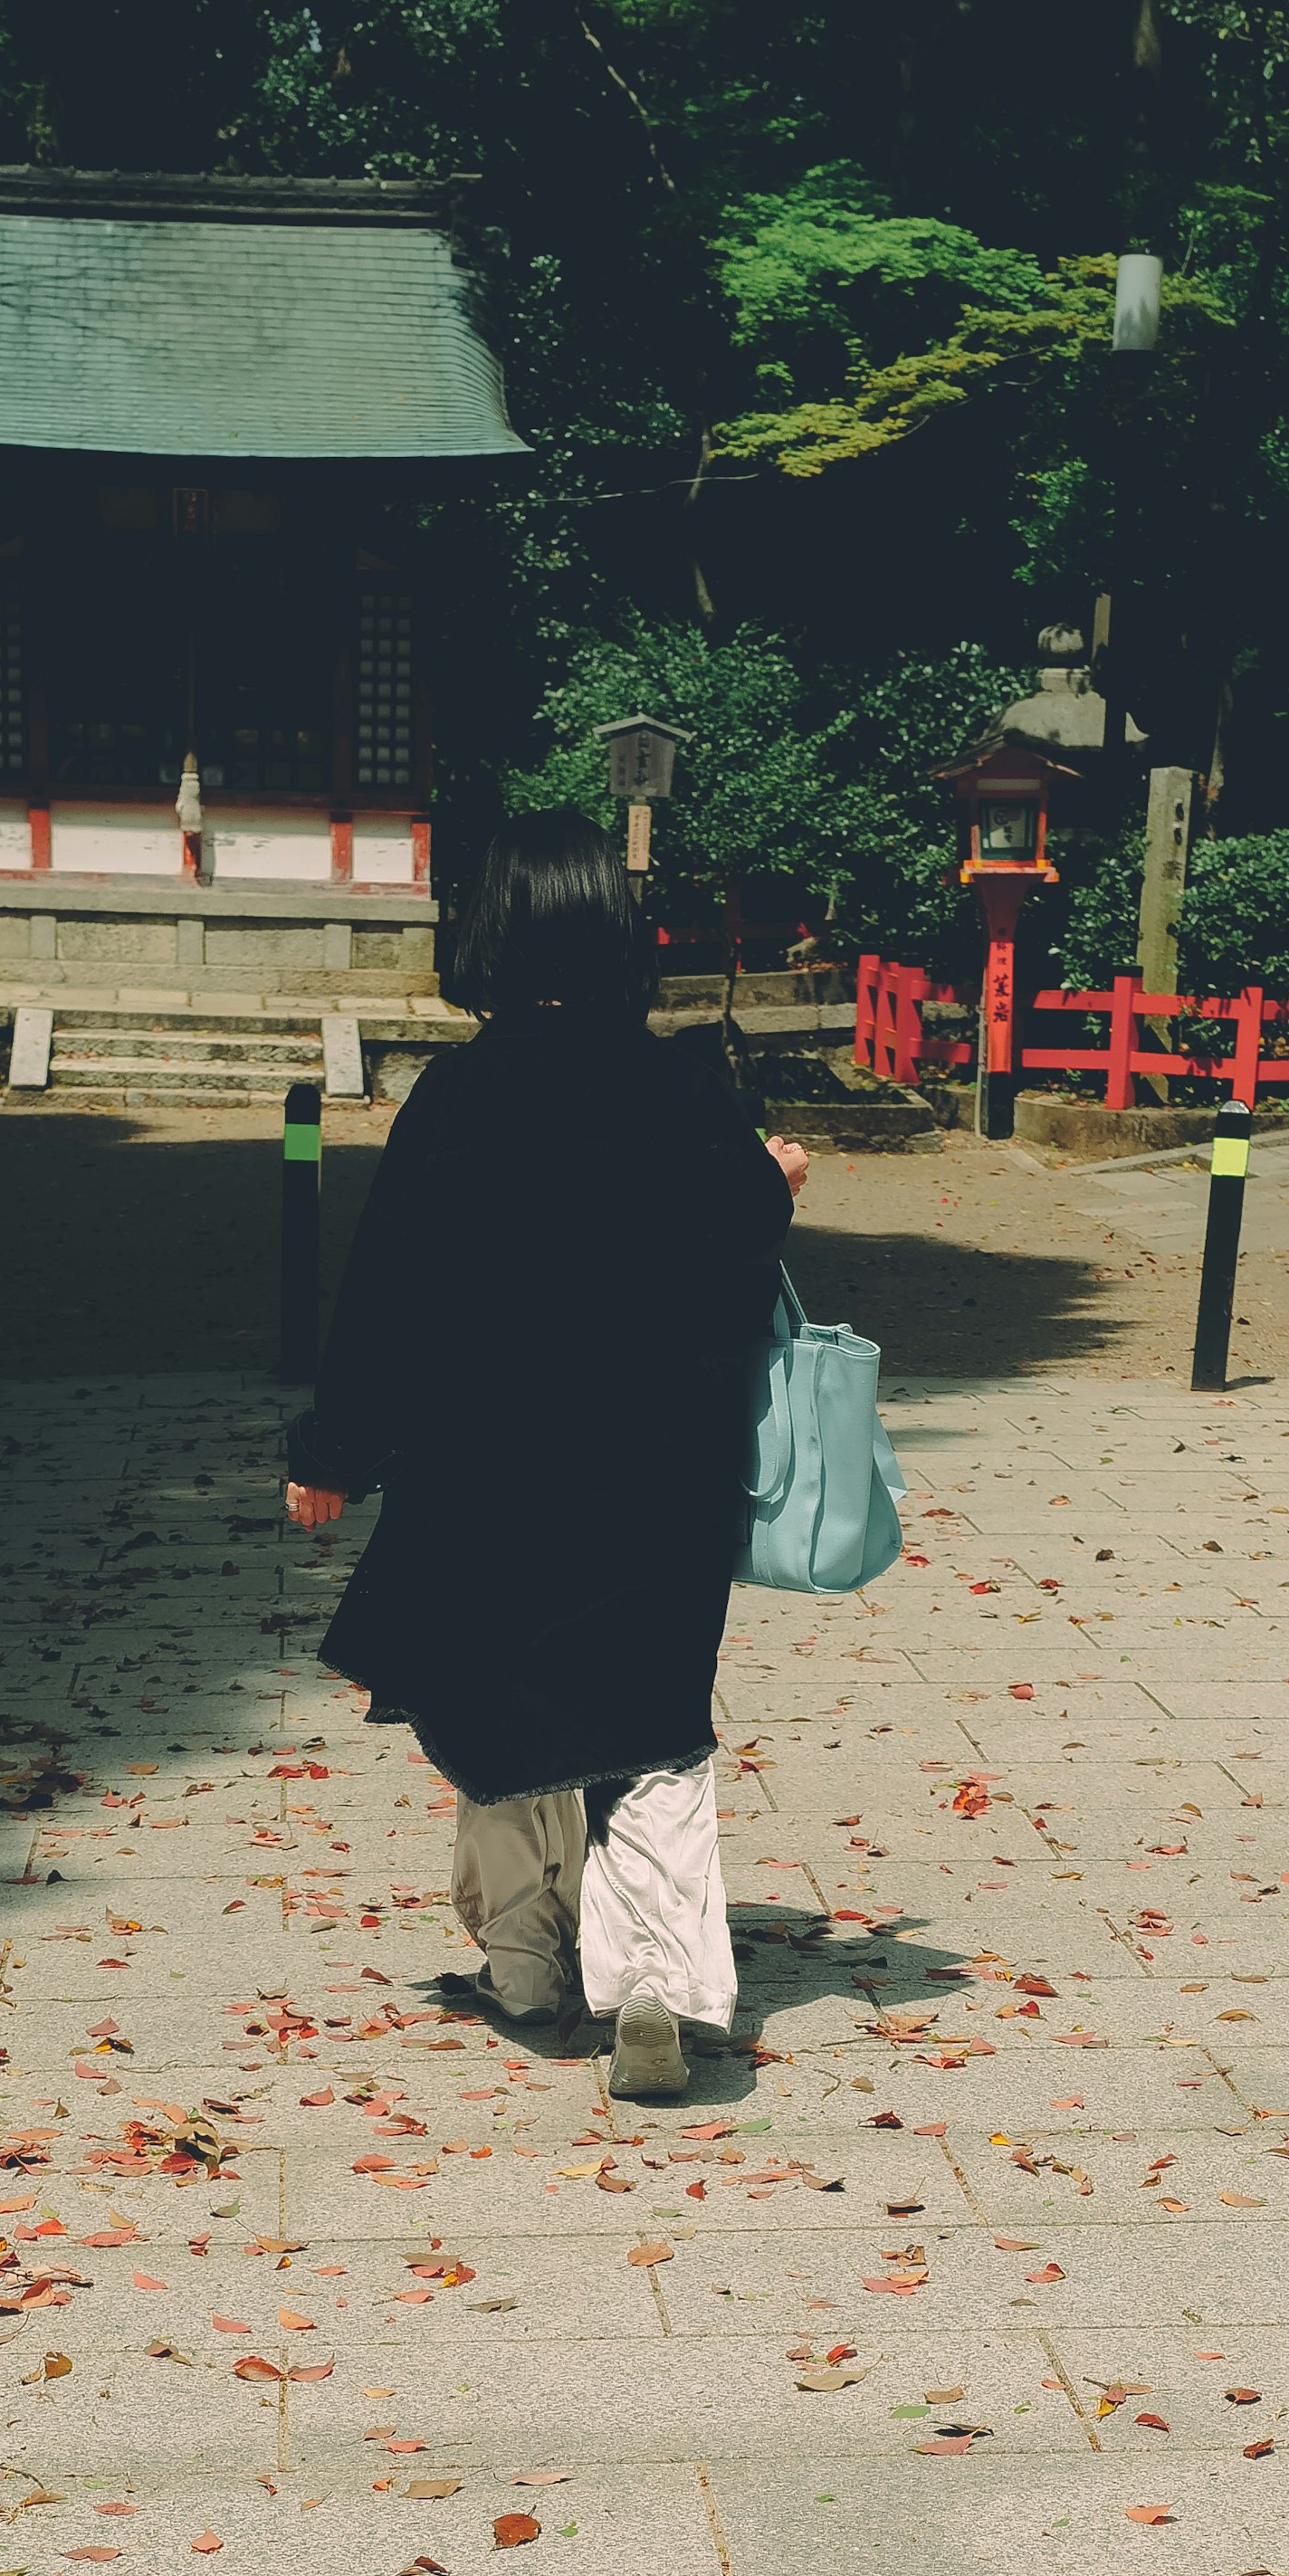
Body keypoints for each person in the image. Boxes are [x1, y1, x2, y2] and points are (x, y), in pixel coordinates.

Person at [281, 812, 805, 2104]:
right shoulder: (681, 1088)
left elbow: (386, 1290)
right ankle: (659, 1991)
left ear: (494, 927)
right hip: (659, 1474)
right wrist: (775, 1177)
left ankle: (526, 1967)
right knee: (652, 1732)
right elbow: (740, 1228)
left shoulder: (460, 1096)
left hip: (489, 1476)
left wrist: (334, 1451)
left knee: (501, 1717)